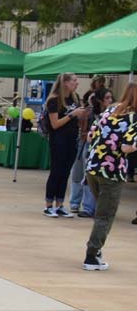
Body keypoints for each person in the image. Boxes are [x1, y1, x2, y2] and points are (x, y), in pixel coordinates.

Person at [82, 82, 137, 270]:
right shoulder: (134, 117)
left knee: (101, 213)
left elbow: (90, 136)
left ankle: (95, 251)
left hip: (93, 167)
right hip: (112, 172)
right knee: (105, 216)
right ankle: (91, 255)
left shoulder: (109, 111)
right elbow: (126, 147)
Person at [42, 72, 88, 218]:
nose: (77, 83)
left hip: (72, 139)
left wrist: (82, 116)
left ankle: (60, 204)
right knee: (56, 171)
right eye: (74, 80)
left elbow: (75, 119)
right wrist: (72, 114)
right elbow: (55, 124)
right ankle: (48, 205)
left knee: (66, 172)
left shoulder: (75, 98)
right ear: (65, 83)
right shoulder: (54, 100)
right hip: (58, 140)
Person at [69, 76, 107, 215]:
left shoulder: (105, 113)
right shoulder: (86, 109)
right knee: (78, 172)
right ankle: (75, 202)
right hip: (83, 141)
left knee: (88, 175)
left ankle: (88, 206)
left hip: (94, 144)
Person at [79, 88, 113, 218]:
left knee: (104, 180)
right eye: (107, 98)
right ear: (100, 100)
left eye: (111, 98)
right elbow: (87, 133)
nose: (110, 100)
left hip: (108, 149)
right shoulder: (92, 113)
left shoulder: (114, 114)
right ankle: (88, 207)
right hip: (92, 147)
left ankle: (101, 208)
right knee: (89, 177)